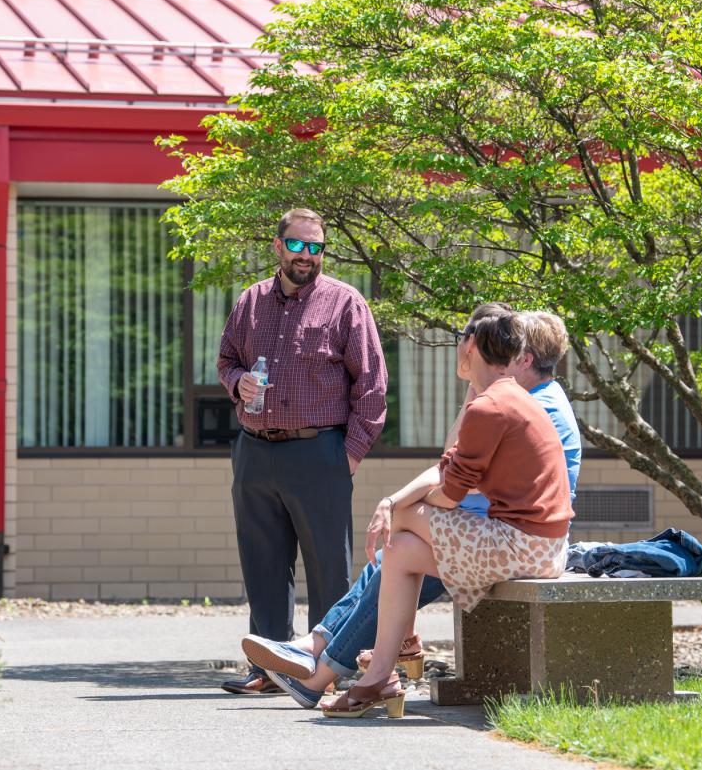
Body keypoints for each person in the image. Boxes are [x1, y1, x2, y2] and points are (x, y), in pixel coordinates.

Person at [241, 309, 580, 707]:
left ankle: (372, 650)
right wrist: (396, 502)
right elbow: (450, 467)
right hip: (527, 543)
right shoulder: (505, 399)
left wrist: (400, 506)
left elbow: (452, 491)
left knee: (403, 524)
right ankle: (366, 675)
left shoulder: (495, 407)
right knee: (399, 552)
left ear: (471, 346)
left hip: (520, 545)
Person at [217, 208, 388, 695]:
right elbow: (226, 359)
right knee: (263, 565)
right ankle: (268, 671)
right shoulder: (250, 302)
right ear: (278, 246)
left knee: (328, 567)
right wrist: (237, 382)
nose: (307, 256)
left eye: (316, 248)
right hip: (255, 451)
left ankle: (328, 672)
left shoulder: (345, 304)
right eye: (298, 245)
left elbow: (372, 387)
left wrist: (348, 455)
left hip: (321, 452)